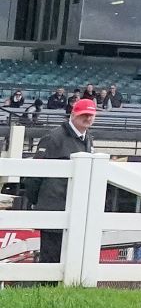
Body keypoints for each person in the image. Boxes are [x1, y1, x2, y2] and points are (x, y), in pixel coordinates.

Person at [28, 98, 99, 267]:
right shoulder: (54, 137)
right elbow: (34, 174)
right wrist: (36, 201)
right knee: (51, 259)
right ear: (74, 114)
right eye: (84, 114)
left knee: (71, 261)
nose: (88, 118)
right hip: (54, 207)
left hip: (76, 209)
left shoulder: (88, 139)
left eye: (91, 115)